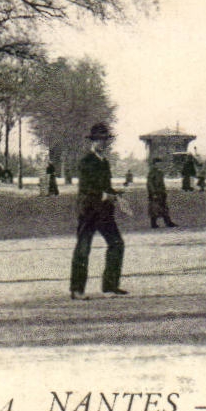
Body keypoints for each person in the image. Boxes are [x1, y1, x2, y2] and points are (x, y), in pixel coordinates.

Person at [69, 123, 127, 300]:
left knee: (117, 244)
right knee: (83, 248)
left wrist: (116, 194)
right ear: (92, 141)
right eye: (99, 140)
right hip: (88, 211)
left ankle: (110, 286)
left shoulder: (104, 162)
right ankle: (77, 290)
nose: (103, 143)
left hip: (104, 212)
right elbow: (86, 188)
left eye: (105, 140)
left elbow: (105, 186)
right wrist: (105, 195)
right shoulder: (86, 161)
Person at [146, 158, 176, 228]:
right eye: (158, 163)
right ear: (154, 164)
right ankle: (153, 224)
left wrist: (164, 191)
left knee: (164, 207)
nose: (159, 165)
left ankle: (168, 222)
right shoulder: (152, 172)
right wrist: (153, 193)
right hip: (155, 193)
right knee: (155, 208)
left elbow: (162, 184)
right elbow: (150, 183)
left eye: (160, 163)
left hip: (161, 193)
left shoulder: (160, 172)